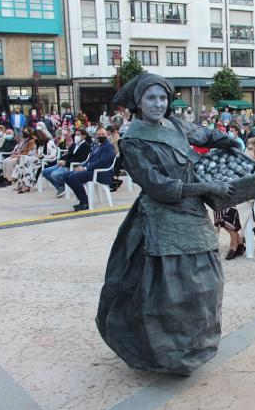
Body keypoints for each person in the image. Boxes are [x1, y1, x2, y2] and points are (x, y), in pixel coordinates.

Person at [96, 73, 238, 375]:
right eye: (151, 98)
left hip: (193, 214)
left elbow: (204, 135)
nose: (158, 104)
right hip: (161, 219)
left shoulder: (175, 124)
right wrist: (207, 188)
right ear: (139, 102)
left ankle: (193, 349)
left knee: (206, 286)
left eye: (162, 98)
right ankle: (164, 355)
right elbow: (159, 186)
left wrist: (231, 140)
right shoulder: (132, 139)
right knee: (167, 293)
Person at [214, 138, 255, 259]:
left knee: (228, 208)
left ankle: (235, 243)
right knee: (218, 204)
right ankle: (237, 238)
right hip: (245, 199)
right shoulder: (248, 164)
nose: (247, 151)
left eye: (250, 148)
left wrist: (243, 195)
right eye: (247, 148)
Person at [62, 127, 115, 211]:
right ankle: (82, 199)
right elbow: (89, 160)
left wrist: (85, 168)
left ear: (106, 135)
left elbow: (102, 162)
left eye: (103, 134)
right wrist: (82, 166)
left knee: (73, 177)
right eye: (99, 135)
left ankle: (85, 202)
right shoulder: (96, 146)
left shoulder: (108, 147)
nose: (101, 136)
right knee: (66, 176)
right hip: (91, 171)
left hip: (100, 173)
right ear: (96, 136)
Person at [42, 128, 91, 197]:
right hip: (65, 163)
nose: (76, 136)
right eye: (76, 134)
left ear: (84, 136)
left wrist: (66, 163)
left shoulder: (86, 146)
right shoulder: (74, 144)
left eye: (78, 135)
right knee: (45, 172)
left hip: (72, 166)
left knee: (54, 174)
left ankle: (63, 185)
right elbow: (68, 154)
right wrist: (61, 160)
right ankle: (60, 187)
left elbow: (81, 159)